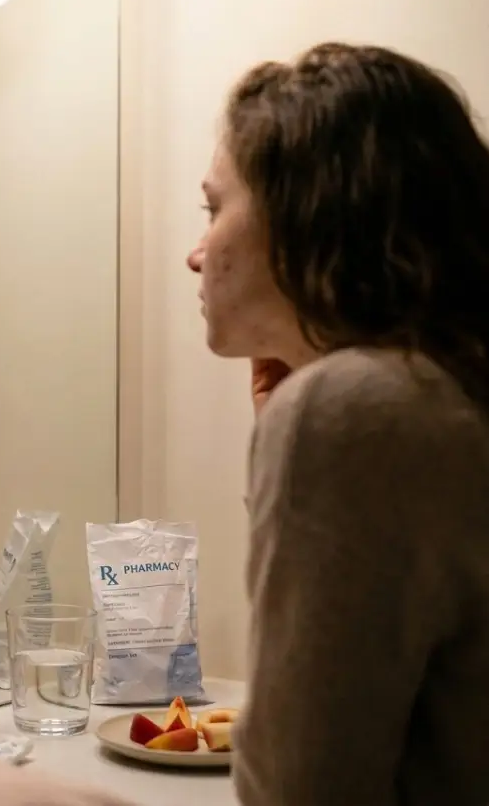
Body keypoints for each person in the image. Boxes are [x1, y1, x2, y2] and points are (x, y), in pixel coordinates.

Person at [188, 42, 489, 806]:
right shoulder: (448, 391)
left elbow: (301, 790)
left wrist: (302, 432)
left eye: (214, 208)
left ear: (309, 212)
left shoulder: (355, 410)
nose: (197, 254)